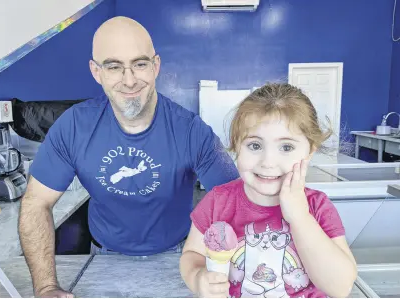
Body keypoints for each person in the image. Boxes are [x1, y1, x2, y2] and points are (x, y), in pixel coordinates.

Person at [18, 16, 239, 298]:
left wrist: (215, 268)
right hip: (103, 255)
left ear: (156, 66)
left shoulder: (191, 130)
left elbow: (235, 200)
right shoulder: (73, 127)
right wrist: (46, 287)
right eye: (114, 66)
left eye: (140, 64)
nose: (130, 79)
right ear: (96, 72)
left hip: (180, 257)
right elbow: (36, 202)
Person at [180, 83, 357, 298]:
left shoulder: (317, 207)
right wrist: (198, 278)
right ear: (236, 146)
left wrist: (300, 218)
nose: (268, 162)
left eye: (286, 147)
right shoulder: (217, 201)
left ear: (309, 152)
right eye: (255, 145)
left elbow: (340, 287)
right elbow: (192, 254)